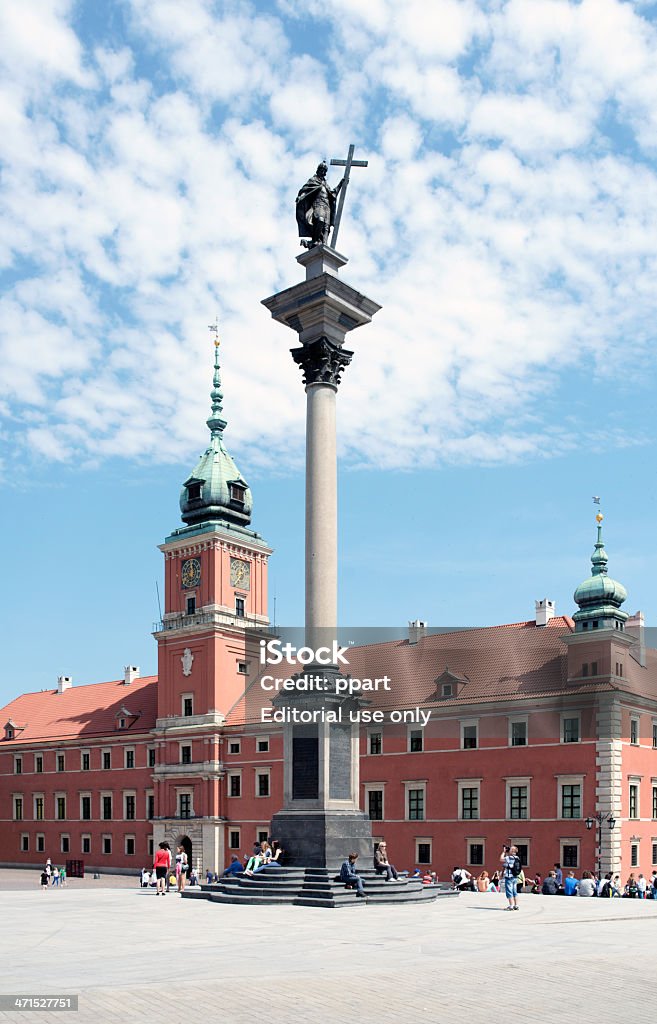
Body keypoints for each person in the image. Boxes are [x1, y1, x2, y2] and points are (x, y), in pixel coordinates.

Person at [295, 161, 344, 247]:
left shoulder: (325, 185)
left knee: (326, 228)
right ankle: (315, 240)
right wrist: (301, 197)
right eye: (322, 170)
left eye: (325, 171)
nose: (323, 173)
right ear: (318, 170)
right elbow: (306, 190)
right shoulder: (313, 180)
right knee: (320, 220)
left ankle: (324, 245)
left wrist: (341, 184)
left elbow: (333, 194)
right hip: (318, 204)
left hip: (327, 207)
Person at [500, 845, 521, 910]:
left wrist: (503, 852)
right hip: (515, 877)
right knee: (515, 891)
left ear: (511, 851)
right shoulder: (517, 858)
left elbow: (501, 859)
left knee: (509, 891)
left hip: (509, 877)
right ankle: (516, 905)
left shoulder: (508, 858)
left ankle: (511, 906)